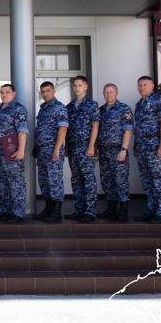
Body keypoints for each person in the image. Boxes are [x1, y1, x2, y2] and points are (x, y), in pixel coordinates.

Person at [0, 84, 30, 224]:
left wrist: (21, 150)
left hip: (12, 150)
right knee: (2, 182)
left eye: (7, 92)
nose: (4, 94)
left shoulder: (19, 109)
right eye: (2, 92)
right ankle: (6, 209)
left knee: (16, 183)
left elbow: (22, 130)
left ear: (13, 93)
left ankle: (18, 212)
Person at [133, 76, 161, 224]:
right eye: (140, 85)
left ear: (152, 86)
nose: (142, 87)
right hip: (142, 148)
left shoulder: (159, 101)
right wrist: (136, 146)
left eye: (145, 85)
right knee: (147, 181)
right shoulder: (139, 104)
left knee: (158, 180)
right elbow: (138, 127)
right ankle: (151, 210)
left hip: (155, 147)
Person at [96, 83, 133, 221]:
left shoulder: (124, 109)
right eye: (106, 92)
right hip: (104, 151)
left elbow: (128, 130)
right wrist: (97, 150)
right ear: (103, 94)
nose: (108, 95)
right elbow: (97, 132)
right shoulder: (100, 111)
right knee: (107, 181)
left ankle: (122, 211)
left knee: (120, 181)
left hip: (118, 150)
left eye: (111, 92)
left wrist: (124, 149)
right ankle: (111, 209)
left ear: (116, 93)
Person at [64, 76, 100, 221]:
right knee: (76, 180)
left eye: (80, 85)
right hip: (73, 148)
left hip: (86, 148)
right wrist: (66, 146)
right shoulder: (69, 107)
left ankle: (90, 211)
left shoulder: (92, 105)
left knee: (88, 179)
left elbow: (95, 126)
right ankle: (79, 209)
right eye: (75, 85)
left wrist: (92, 146)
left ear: (86, 87)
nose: (77, 88)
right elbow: (66, 129)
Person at [32, 82, 68, 222]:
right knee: (45, 181)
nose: (45, 94)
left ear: (54, 91)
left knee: (55, 181)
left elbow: (63, 129)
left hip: (53, 149)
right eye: (42, 91)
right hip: (42, 150)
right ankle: (48, 209)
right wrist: (36, 147)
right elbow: (40, 129)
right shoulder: (43, 108)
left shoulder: (59, 108)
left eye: (47, 91)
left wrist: (57, 149)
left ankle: (56, 212)